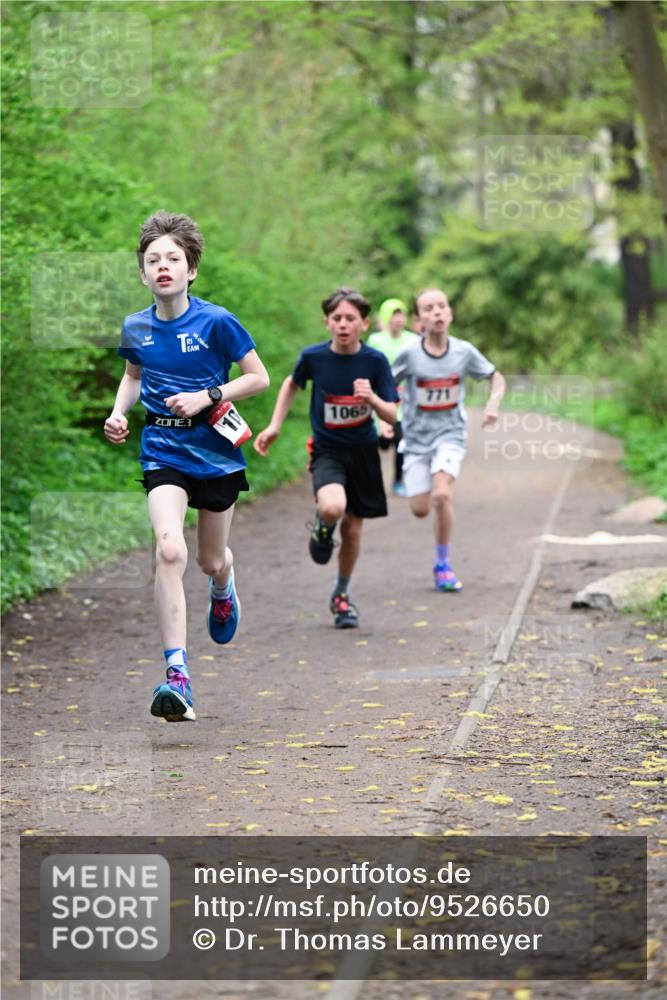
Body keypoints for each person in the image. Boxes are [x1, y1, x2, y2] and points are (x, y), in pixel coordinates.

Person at [104, 211, 269, 722]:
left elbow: (258, 378)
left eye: (173, 258)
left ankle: (223, 584)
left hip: (216, 452)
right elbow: (134, 376)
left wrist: (208, 395)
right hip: (162, 449)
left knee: (207, 561)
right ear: (143, 273)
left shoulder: (217, 321)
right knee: (169, 551)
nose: (163, 267)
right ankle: (178, 675)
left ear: (191, 268)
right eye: (153, 260)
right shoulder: (136, 325)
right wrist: (117, 412)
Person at [253, 288, 398, 628]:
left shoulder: (375, 362)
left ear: (363, 323)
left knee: (352, 529)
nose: (343, 324)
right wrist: (275, 425)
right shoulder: (314, 357)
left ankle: (341, 594)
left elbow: (392, 415)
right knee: (333, 508)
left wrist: (372, 400)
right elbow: (291, 384)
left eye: (350, 319)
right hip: (327, 449)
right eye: (337, 318)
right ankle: (322, 527)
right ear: (327, 322)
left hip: (363, 451)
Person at [392, 287, 505, 593]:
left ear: (450, 313)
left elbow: (497, 377)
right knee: (420, 508)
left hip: (451, 435)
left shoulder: (464, 352)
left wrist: (493, 405)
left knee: (442, 496)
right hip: (416, 441)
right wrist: (388, 417)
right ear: (419, 321)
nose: (437, 312)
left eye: (442, 306)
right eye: (429, 309)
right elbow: (387, 384)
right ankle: (426, 503)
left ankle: (443, 564)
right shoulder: (410, 355)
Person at [367, 298, 420, 496]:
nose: (398, 319)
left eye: (401, 315)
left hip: (404, 402)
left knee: (401, 442)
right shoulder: (376, 340)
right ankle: (371, 480)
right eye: (394, 315)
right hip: (380, 399)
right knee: (380, 443)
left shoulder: (413, 340)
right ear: (386, 317)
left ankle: (398, 481)